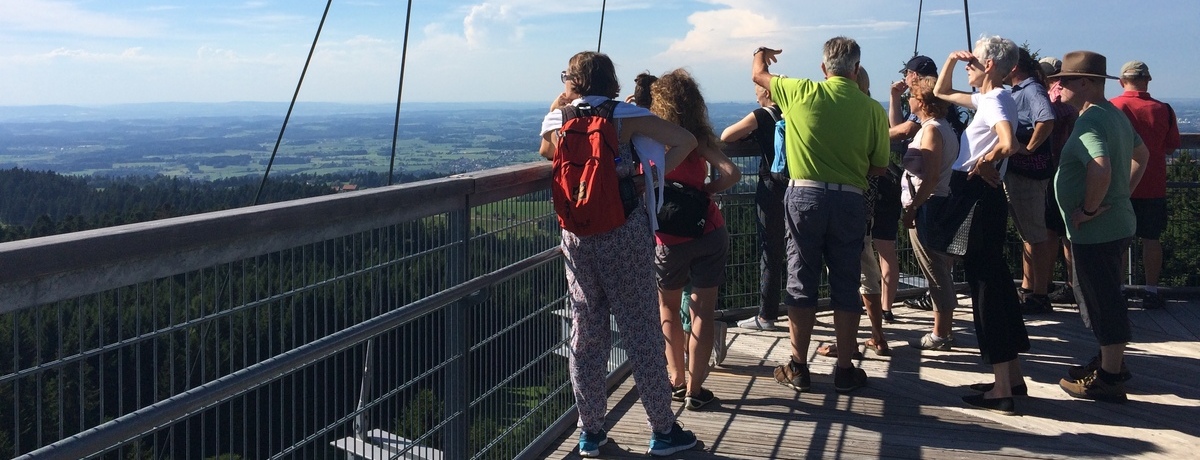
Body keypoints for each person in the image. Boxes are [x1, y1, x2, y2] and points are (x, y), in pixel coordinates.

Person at [538, 51, 698, 457]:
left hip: (576, 235)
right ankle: (662, 430)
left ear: (573, 80)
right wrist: (647, 180)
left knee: (586, 333)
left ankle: (590, 432)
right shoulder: (623, 115)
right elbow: (685, 141)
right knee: (641, 330)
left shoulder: (560, 117)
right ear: (609, 80)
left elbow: (545, 152)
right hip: (623, 230)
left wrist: (557, 105)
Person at [752, 37, 890, 394]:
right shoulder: (872, 109)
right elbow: (878, 166)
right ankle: (845, 368)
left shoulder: (800, 91)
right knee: (846, 281)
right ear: (855, 69)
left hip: (804, 196)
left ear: (824, 67)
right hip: (850, 200)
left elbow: (760, 76)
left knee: (801, 278)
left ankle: (798, 366)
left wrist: (760, 54)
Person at [932, 36, 1031, 415]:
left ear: (989, 65)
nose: (968, 64)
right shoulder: (989, 98)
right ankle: (1013, 378)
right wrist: (951, 59)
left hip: (975, 196)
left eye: (973, 59)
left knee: (986, 288)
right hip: (980, 198)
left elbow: (1009, 142)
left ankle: (1002, 389)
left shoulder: (997, 99)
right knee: (997, 284)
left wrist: (987, 160)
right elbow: (942, 91)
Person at [1052, 50, 1149, 402]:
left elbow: (1100, 167)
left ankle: (1110, 376)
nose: (1058, 85)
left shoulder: (1090, 121)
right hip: (1117, 223)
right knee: (1105, 295)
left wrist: (1090, 209)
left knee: (1100, 300)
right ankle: (1109, 360)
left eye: (1064, 79)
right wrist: (1123, 194)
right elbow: (1144, 156)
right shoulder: (1114, 115)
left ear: (1086, 83)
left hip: (1096, 231)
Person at [649, 68, 741, 411]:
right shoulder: (699, 139)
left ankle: (675, 379)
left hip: (668, 238)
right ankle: (696, 389)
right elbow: (733, 173)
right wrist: (705, 191)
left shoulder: (652, 140)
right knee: (703, 309)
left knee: (668, 307)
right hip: (708, 230)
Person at [818, 66, 891, 358]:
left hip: (844, 202)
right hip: (866, 203)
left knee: (846, 276)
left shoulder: (845, 113)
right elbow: (879, 163)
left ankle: (847, 344)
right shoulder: (873, 112)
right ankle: (877, 335)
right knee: (866, 271)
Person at [1110, 60, 1181, 310]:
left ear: (1121, 82)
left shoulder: (1112, 107)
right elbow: (1171, 145)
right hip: (1153, 185)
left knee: (1118, 240)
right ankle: (1151, 291)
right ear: (1148, 80)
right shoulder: (1164, 110)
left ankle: (1118, 290)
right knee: (1152, 239)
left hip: (1120, 185)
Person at [901, 75, 962, 351]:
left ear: (922, 102)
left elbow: (931, 176)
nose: (908, 100)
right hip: (934, 203)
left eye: (911, 96)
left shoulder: (931, 131)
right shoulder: (942, 127)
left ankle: (941, 332)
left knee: (934, 269)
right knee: (937, 266)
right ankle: (943, 328)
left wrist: (914, 208)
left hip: (930, 205)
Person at [721, 82, 786, 332]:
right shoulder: (792, 112)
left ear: (767, 92)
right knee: (795, 250)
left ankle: (766, 315)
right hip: (797, 188)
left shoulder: (763, 115)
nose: (756, 95)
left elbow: (727, 136)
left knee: (771, 250)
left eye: (757, 90)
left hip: (771, 188)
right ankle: (800, 307)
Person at [1003, 49, 1058, 315]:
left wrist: (1029, 148)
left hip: (1027, 173)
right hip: (1023, 172)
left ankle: (1039, 294)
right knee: (1031, 233)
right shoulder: (1023, 89)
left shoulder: (1031, 89)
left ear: (1013, 67)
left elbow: (1046, 118)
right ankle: (1031, 289)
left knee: (1035, 235)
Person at [891, 55, 940, 315]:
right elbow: (901, 126)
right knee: (938, 258)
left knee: (934, 260)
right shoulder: (937, 110)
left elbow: (902, 130)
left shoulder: (929, 123)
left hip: (928, 195)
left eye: (907, 73)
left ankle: (940, 325)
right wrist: (893, 98)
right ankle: (937, 303)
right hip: (934, 191)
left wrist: (869, 137)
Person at [1039, 57, 1081, 305]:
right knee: (1064, 231)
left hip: (1050, 169)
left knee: (1050, 231)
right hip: (1064, 169)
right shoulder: (1067, 100)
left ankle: (1044, 283)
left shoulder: (1053, 99)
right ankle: (1071, 283)